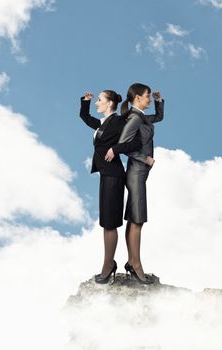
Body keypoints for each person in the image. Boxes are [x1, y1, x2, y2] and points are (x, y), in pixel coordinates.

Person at [79, 90, 141, 284]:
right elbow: (84, 117)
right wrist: (86, 102)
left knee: (109, 223)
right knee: (107, 223)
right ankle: (109, 264)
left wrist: (116, 149)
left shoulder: (118, 122)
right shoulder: (103, 123)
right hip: (106, 175)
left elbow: (136, 141)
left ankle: (108, 266)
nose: (97, 102)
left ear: (110, 104)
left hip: (114, 176)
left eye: (99, 100)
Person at [105, 83, 164, 284]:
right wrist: (144, 158)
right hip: (136, 172)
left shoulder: (142, 116)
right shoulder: (133, 118)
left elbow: (159, 118)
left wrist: (158, 101)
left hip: (140, 173)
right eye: (147, 96)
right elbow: (123, 145)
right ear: (137, 98)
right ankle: (136, 266)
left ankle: (132, 262)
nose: (149, 99)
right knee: (138, 220)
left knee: (135, 218)